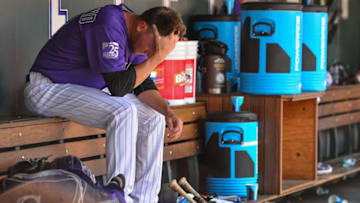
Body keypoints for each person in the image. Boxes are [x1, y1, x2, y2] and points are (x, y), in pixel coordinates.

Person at [24, 3, 186, 203]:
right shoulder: (109, 22)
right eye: (153, 47)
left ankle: (144, 199)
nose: (151, 53)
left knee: (153, 116)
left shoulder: (137, 34)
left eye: (156, 51)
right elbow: (118, 86)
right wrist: (158, 57)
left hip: (79, 91)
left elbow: (141, 83)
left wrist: (167, 110)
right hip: (46, 88)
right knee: (123, 111)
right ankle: (117, 197)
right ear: (141, 26)